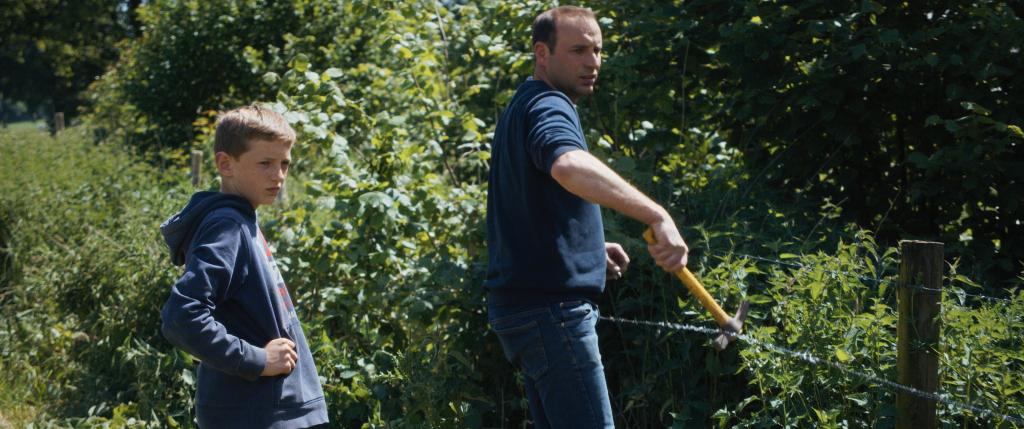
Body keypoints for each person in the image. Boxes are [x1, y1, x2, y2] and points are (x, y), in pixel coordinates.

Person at [485, 6, 690, 428]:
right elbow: (568, 165)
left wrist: (586, 249)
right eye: (578, 50)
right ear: (542, 53)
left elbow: (529, 209)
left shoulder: (522, 105)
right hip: (551, 313)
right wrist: (657, 215)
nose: (592, 62)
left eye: (597, 50)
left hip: (526, 310)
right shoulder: (549, 105)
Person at [160, 105, 328, 428]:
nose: (278, 175)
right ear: (226, 164)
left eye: (284, 164)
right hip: (257, 414)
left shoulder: (240, 220)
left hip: (266, 410)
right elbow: (181, 317)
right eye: (265, 163)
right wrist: (258, 359)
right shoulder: (227, 227)